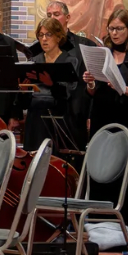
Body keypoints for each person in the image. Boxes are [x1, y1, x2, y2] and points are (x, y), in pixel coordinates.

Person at [82, 8, 128, 225]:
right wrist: (91, 83)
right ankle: (96, 219)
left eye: (119, 29)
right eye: (111, 28)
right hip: (102, 117)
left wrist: (122, 88)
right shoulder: (102, 53)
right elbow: (92, 93)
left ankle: (122, 221)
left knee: (124, 170)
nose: (114, 33)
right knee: (100, 165)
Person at [20, 17, 88, 156]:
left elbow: (70, 93)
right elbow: (25, 102)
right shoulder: (34, 61)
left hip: (59, 119)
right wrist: (23, 90)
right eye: (41, 35)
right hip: (36, 120)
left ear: (58, 37)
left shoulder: (69, 61)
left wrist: (51, 83)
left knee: (56, 163)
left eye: (48, 34)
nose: (44, 39)